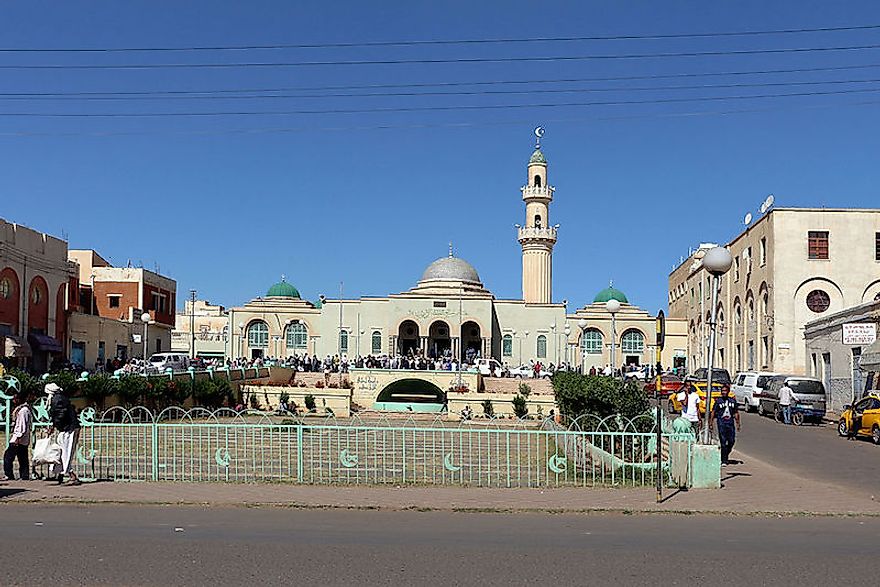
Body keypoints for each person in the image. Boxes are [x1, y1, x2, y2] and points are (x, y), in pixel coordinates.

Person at [47, 382, 81, 486]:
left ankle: (71, 475)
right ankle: (62, 475)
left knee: (65, 452)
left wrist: (54, 425)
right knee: (62, 451)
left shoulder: (57, 400)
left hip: (68, 429)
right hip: (68, 428)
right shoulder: (61, 398)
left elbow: (60, 414)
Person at [3, 391, 32, 481]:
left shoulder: (23, 411)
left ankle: (9, 475)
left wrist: (18, 438)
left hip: (18, 437)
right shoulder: (24, 409)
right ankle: (24, 476)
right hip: (23, 438)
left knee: (8, 457)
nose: (14, 400)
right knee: (22, 458)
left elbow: (22, 425)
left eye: (15, 398)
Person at [710, 387, 741, 466]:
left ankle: (725, 454)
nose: (723, 392)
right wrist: (711, 422)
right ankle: (724, 460)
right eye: (722, 391)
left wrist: (738, 423)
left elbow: (736, 412)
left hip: (730, 424)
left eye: (725, 391)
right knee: (723, 441)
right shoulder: (718, 401)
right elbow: (713, 412)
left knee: (731, 441)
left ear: (728, 392)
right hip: (722, 423)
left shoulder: (732, 401)